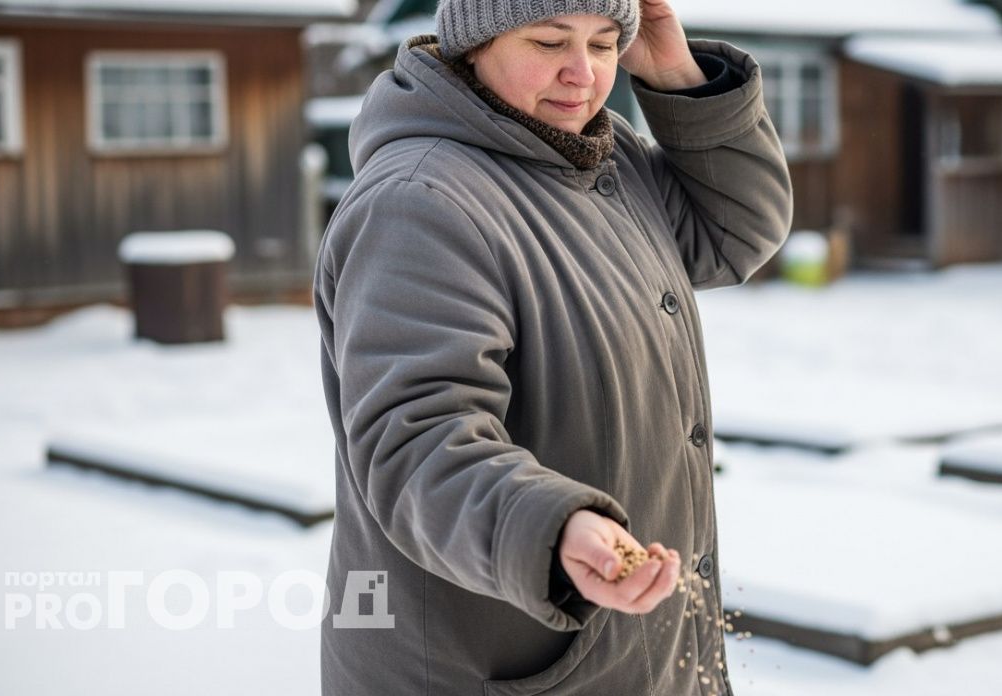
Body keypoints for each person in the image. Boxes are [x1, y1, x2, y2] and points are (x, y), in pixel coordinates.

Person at [313, 0, 792, 692]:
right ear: (473, 44)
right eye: (548, 41)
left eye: (603, 45)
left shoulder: (602, 156)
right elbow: (416, 440)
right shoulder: (420, 202)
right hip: (490, 665)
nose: (582, 75)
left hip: (624, 648)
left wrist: (674, 74)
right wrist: (552, 528)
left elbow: (734, 232)